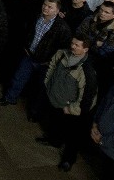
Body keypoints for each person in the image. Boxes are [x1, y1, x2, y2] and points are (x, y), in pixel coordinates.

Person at [0, 0, 72, 113]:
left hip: (46, 63)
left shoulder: (62, 27)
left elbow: (64, 48)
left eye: (50, 7)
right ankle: (9, 98)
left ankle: (34, 112)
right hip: (29, 56)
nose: (45, 8)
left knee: (41, 88)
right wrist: (25, 47)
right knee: (18, 78)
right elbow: (26, 32)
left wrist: (52, 61)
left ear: (57, 11)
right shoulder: (36, 17)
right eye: (44, 5)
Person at [37, 34, 98, 172]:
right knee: (55, 123)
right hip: (55, 100)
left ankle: (68, 160)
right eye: (72, 43)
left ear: (86, 49)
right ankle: (54, 141)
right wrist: (48, 85)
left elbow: (87, 97)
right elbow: (51, 67)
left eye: (77, 45)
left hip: (70, 109)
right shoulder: (62, 54)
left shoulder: (87, 71)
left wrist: (71, 109)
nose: (72, 46)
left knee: (72, 137)